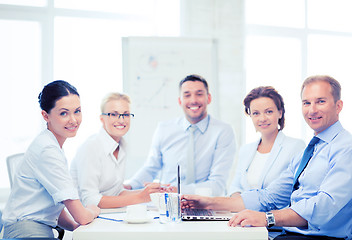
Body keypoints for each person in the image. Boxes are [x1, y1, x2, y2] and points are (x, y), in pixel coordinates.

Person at [182, 75, 352, 239]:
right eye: (306, 103)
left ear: (338, 106)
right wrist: (207, 203)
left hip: (320, 237)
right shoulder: (309, 151)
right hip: (290, 234)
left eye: (320, 101)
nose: (312, 109)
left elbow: (324, 206)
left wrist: (267, 218)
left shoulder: (346, 147)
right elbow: (270, 197)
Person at [1, 80, 100, 238]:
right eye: (64, 113)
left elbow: (53, 207)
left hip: (34, 230)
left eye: (77, 111)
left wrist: (77, 226)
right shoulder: (47, 150)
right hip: (26, 233)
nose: (73, 120)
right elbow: (82, 215)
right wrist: (92, 210)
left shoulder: (51, 145)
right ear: (45, 115)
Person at [124, 74, 236, 196]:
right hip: (169, 203)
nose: (193, 100)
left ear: (208, 98)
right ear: (180, 101)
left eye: (199, 94)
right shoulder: (164, 129)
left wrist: (175, 190)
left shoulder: (223, 131)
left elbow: (217, 185)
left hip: (208, 205)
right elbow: (151, 167)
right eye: (187, 95)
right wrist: (130, 186)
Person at [70, 93, 162, 208]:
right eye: (114, 114)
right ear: (102, 119)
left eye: (126, 114)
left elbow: (116, 192)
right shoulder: (91, 147)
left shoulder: (122, 145)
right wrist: (140, 197)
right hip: (85, 220)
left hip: (108, 215)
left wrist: (151, 193)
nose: (121, 120)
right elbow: (90, 200)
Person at [229, 86, 305, 196]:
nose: (262, 119)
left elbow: (293, 191)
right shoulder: (245, 150)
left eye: (268, 112)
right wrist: (239, 203)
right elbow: (234, 187)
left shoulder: (296, 147)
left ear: (280, 113)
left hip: (274, 212)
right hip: (243, 211)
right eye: (256, 113)